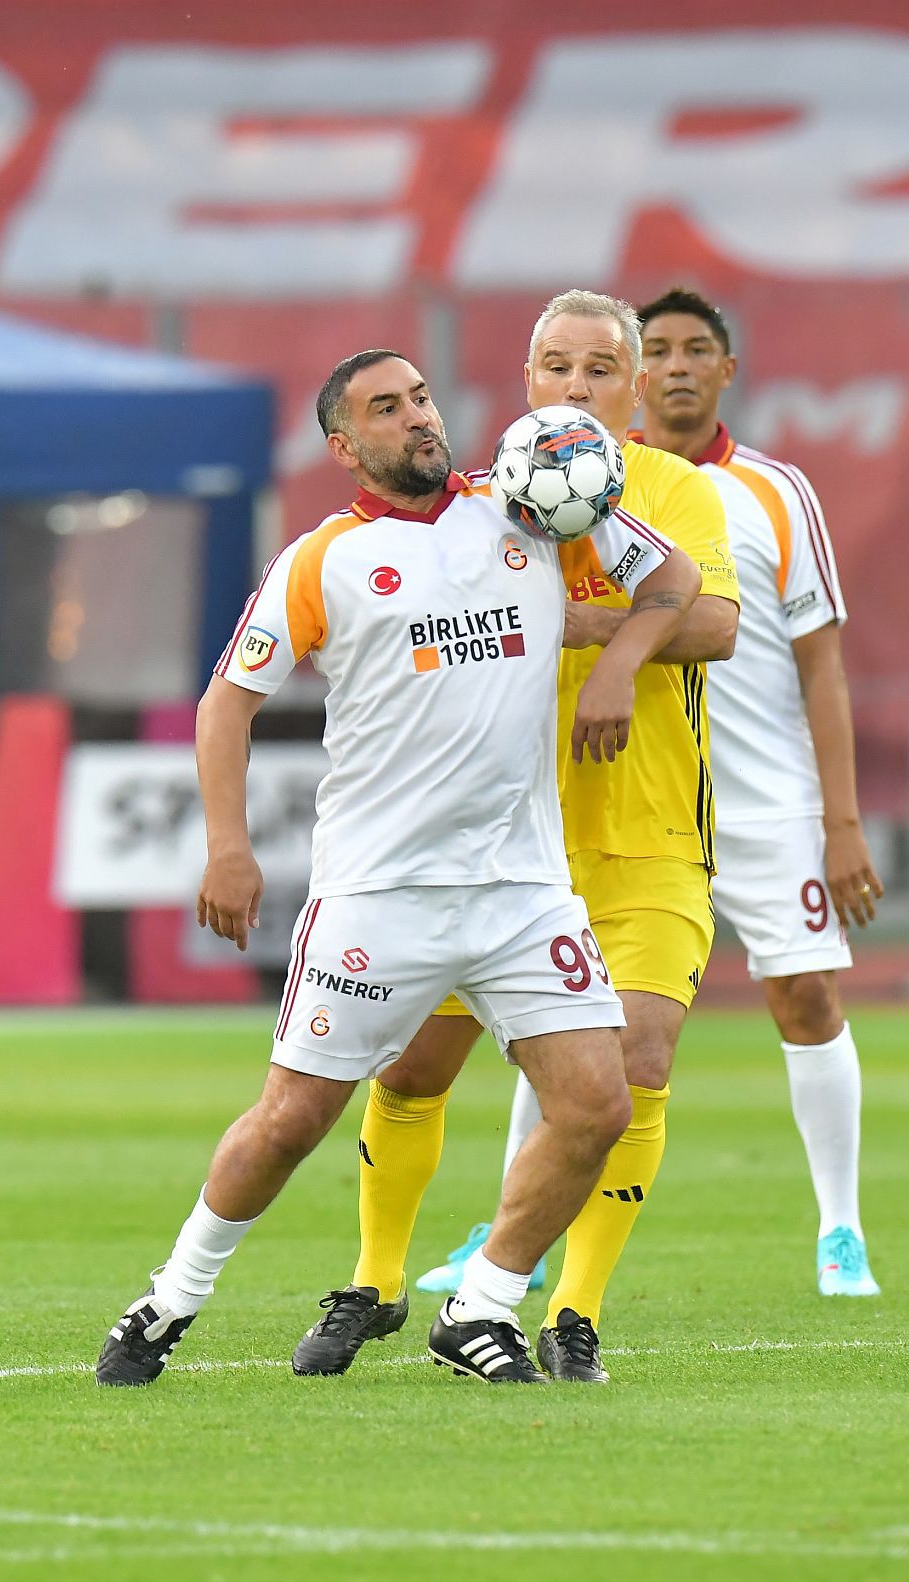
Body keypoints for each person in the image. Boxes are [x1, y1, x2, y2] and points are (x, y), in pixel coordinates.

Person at [95, 348, 700, 1387]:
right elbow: (226, 703)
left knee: (597, 1104)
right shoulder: (322, 561)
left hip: (518, 890)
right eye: (388, 407)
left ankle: (482, 1305)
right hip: (379, 895)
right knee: (290, 1121)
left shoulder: (524, 506)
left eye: (421, 397)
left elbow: (675, 583)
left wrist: (616, 666)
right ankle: (169, 1297)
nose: (419, 417)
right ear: (345, 446)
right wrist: (229, 846)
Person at [292, 291, 738, 1385]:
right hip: (492, 843)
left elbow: (718, 622)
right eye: (555, 367)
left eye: (598, 368)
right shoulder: (487, 501)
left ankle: (571, 1308)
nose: (576, 387)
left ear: (632, 386)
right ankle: (377, 1277)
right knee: (409, 1064)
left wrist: (604, 642)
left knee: (633, 1066)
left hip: (642, 836)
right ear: (527, 380)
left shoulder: (674, 488)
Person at [637, 287, 884, 1294]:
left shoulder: (778, 491)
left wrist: (843, 821)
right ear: (632, 368)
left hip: (766, 799)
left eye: (699, 348)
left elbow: (822, 664)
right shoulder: (589, 486)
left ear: (728, 369)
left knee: (807, 994)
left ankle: (841, 1228)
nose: (679, 364)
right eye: (657, 349)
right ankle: (509, 1236)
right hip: (641, 798)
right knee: (594, 1020)